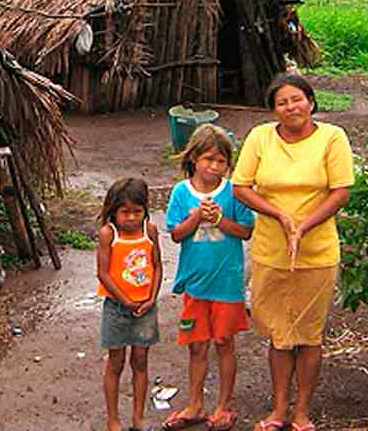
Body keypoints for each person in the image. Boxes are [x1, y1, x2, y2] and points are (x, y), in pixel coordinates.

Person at [231, 74, 354, 431]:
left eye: (297, 99)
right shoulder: (260, 137)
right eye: (282, 102)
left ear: (311, 102)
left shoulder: (332, 138)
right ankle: (278, 411)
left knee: (309, 333)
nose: (291, 107)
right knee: (280, 334)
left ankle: (302, 413)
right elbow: (241, 187)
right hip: (271, 249)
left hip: (317, 252)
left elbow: (340, 192)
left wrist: (304, 225)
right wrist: (281, 216)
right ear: (273, 110)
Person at [163, 124, 254, 431]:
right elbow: (176, 234)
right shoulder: (180, 192)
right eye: (208, 159)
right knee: (197, 345)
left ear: (228, 163)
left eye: (221, 161)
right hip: (195, 283)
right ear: (194, 158)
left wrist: (219, 220)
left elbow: (246, 231)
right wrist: (196, 217)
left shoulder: (234, 191)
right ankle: (194, 405)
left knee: (224, 342)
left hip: (227, 282)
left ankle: (224, 406)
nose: (214, 167)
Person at [96, 178, 163, 431]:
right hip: (116, 308)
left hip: (146, 308)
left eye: (137, 211)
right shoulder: (108, 234)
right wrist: (125, 300)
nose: (132, 218)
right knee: (116, 362)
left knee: (141, 361)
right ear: (114, 211)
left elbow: (157, 266)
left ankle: (138, 417)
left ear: (145, 210)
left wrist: (152, 298)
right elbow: (103, 273)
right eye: (125, 212)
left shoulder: (151, 231)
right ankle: (113, 420)